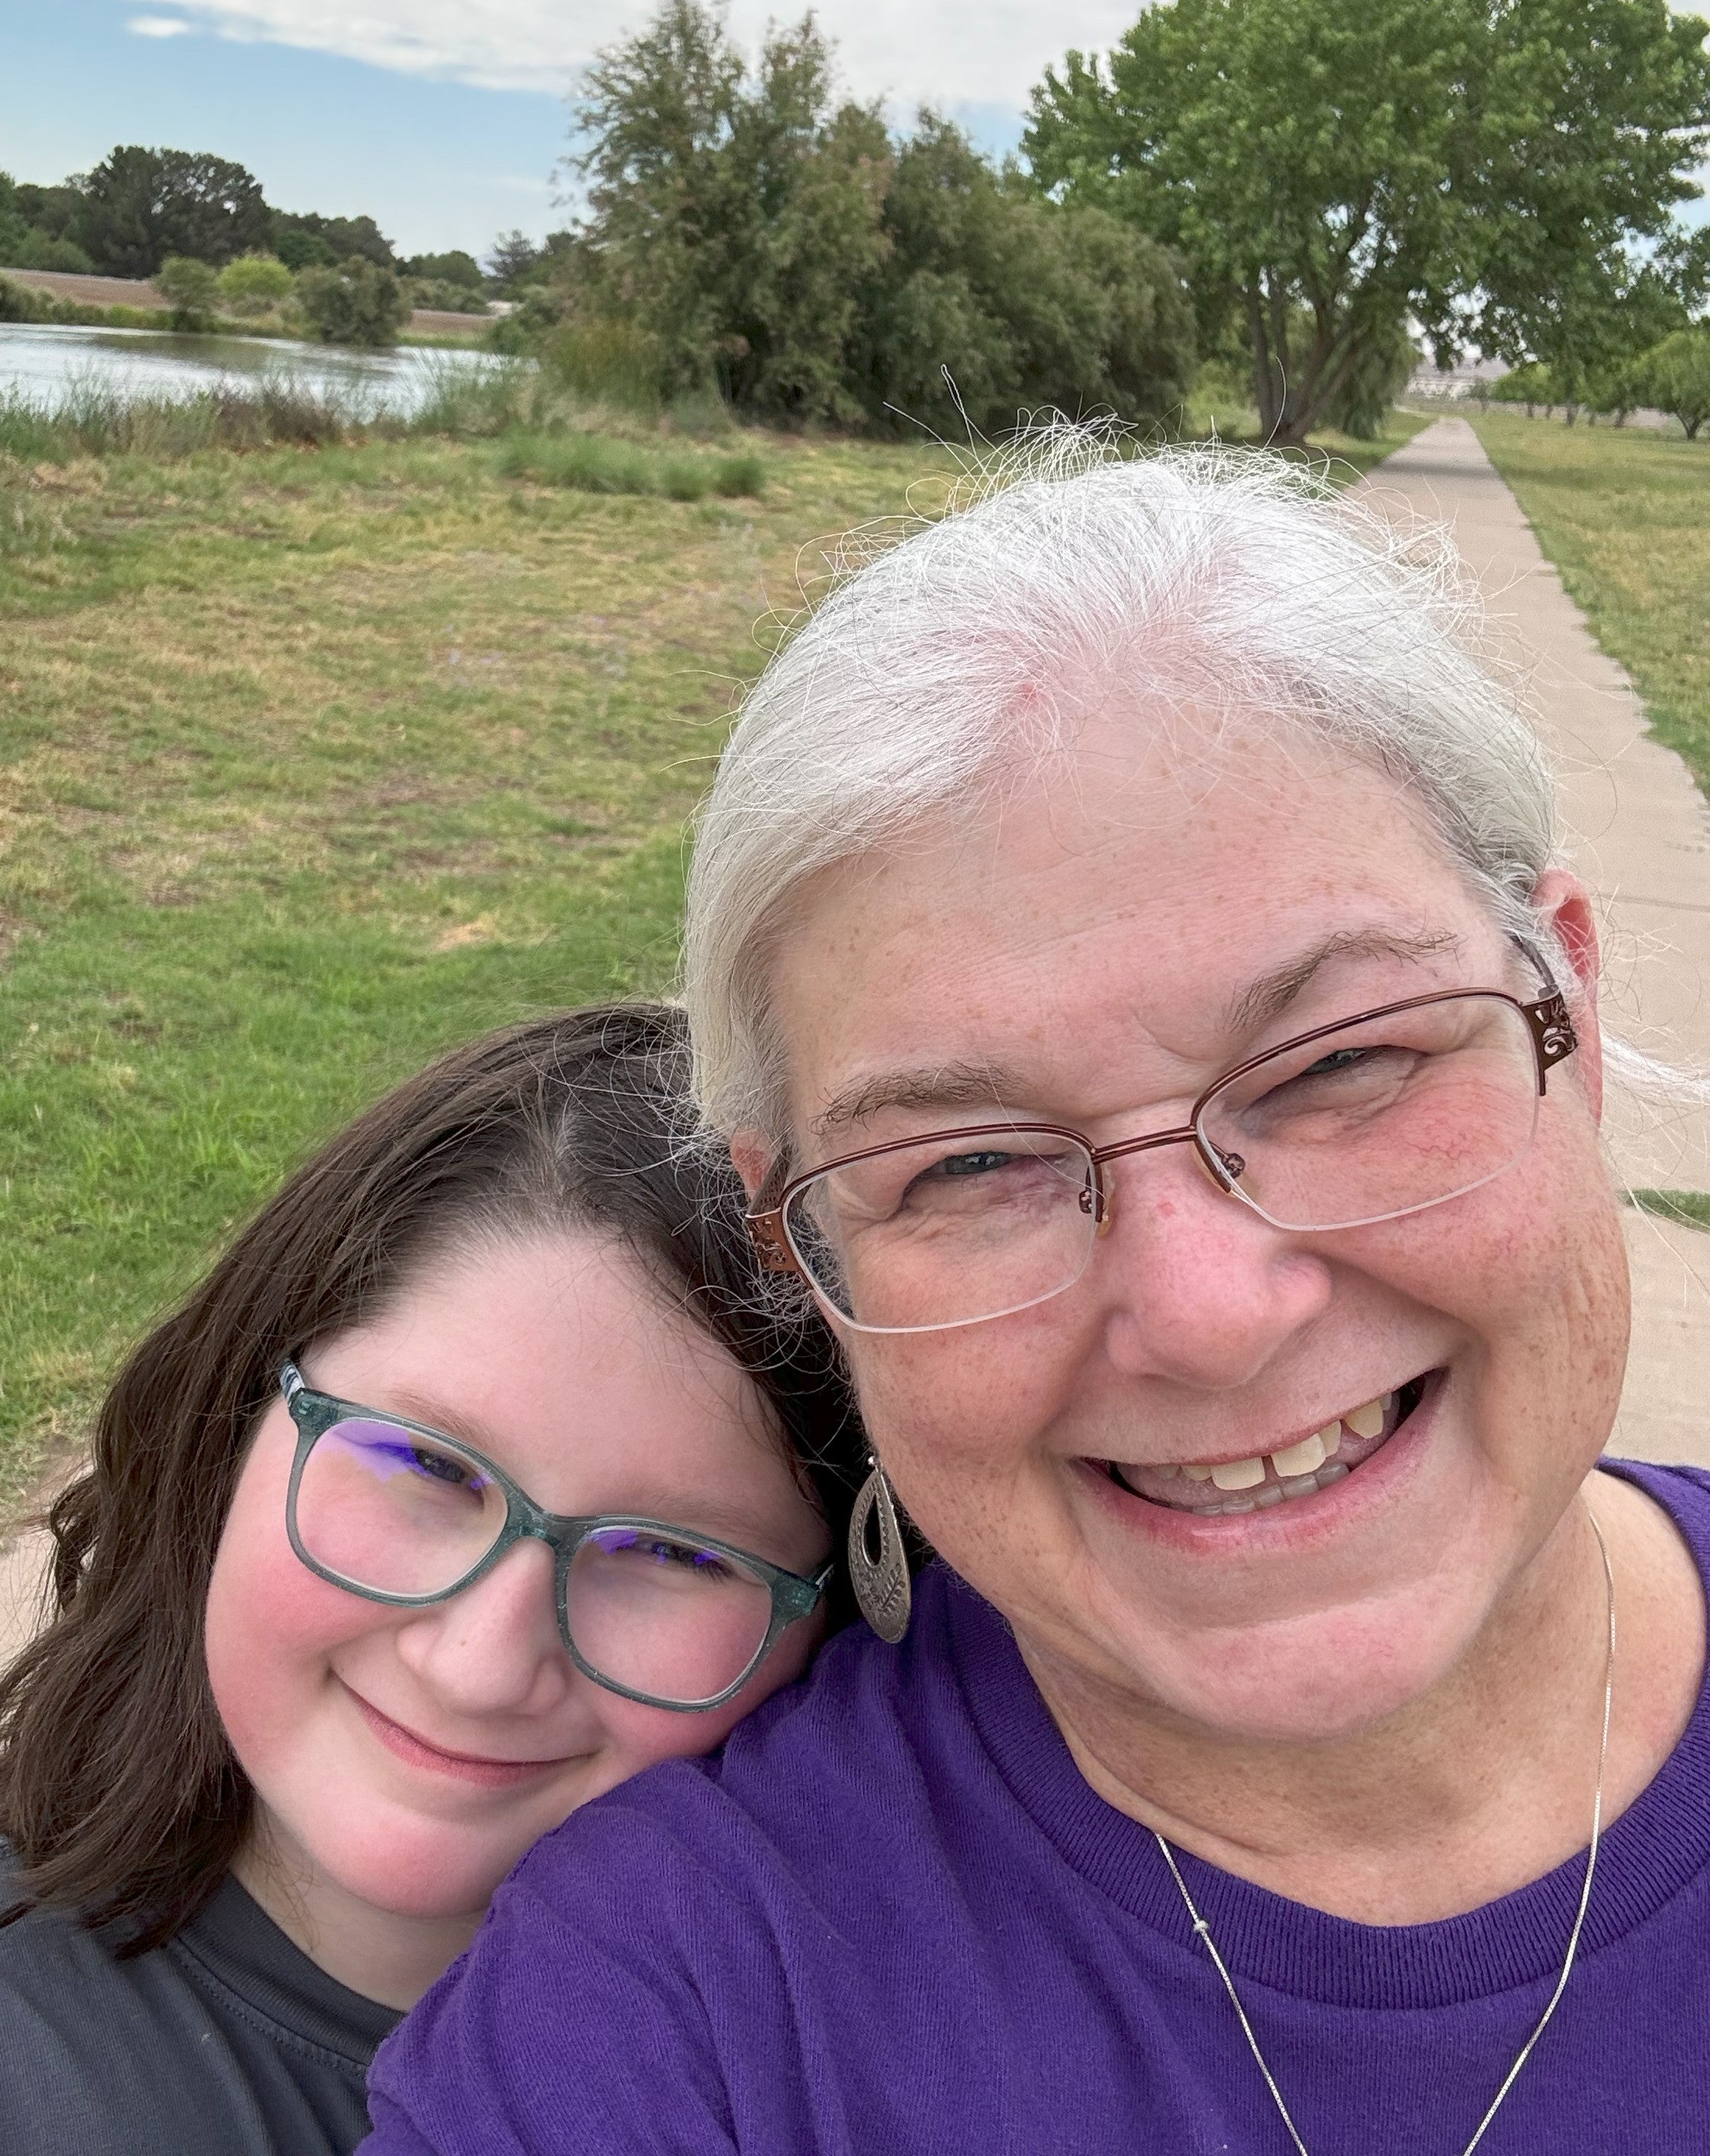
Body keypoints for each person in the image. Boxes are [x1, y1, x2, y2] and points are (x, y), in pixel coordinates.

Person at [365, 437, 1710, 2155]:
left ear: (1567, 1010)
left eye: (1346, 1061)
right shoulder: (678, 2008)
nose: (1211, 1308)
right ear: (803, 1247)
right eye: (971, 1166)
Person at [0, 1003, 862, 2156]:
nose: (479, 1665)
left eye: (673, 1553)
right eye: (423, 1464)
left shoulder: (894, 2069)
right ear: (234, 1429)